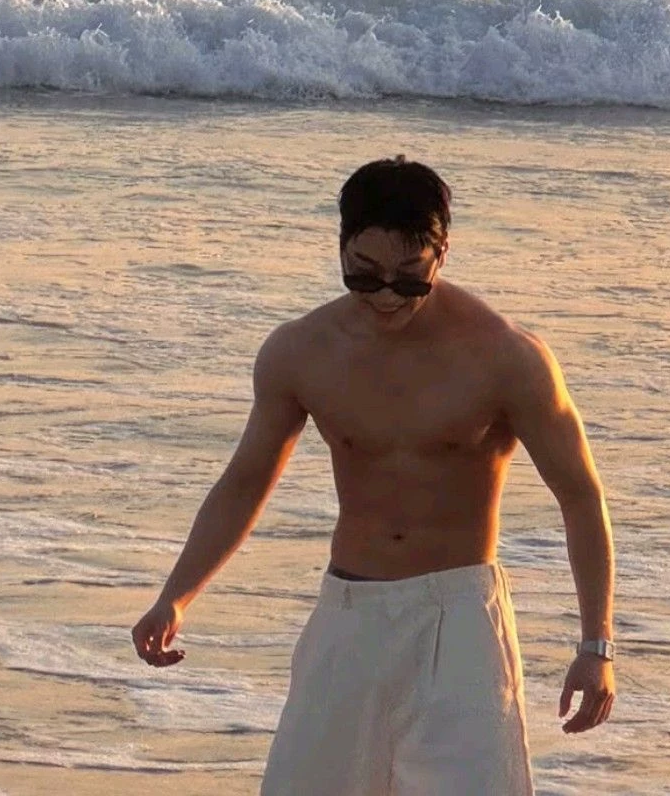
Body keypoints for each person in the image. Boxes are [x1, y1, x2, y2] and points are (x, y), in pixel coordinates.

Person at [132, 156, 615, 795]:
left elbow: (580, 496)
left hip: (459, 621)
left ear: (442, 253)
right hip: (348, 614)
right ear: (341, 248)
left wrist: (596, 645)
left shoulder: (505, 357)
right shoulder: (301, 351)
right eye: (364, 274)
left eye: (409, 278)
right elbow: (244, 482)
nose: (386, 295)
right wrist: (176, 595)